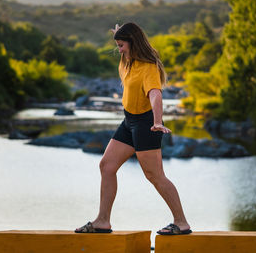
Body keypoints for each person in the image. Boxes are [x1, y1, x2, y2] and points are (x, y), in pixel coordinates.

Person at [75, 22, 191, 235]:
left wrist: (157, 121)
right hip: (129, 122)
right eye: (118, 45)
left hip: (147, 123)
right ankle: (102, 221)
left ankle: (181, 222)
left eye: (121, 45)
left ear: (133, 43)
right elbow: (125, 47)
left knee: (155, 175)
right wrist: (120, 33)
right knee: (107, 166)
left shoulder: (148, 67)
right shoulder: (126, 62)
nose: (119, 49)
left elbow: (155, 94)